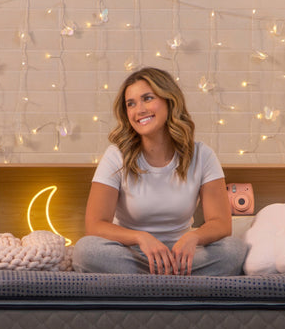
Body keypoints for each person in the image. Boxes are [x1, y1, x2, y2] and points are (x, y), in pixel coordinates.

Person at [72, 67, 247, 276]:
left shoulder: (202, 155)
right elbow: (95, 225)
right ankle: (174, 282)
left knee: (234, 250)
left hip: (183, 256)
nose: (139, 110)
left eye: (147, 98)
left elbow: (221, 223)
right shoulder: (115, 155)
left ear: (169, 101)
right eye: (131, 104)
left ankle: (150, 282)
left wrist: (194, 237)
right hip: (132, 253)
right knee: (85, 251)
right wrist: (140, 237)